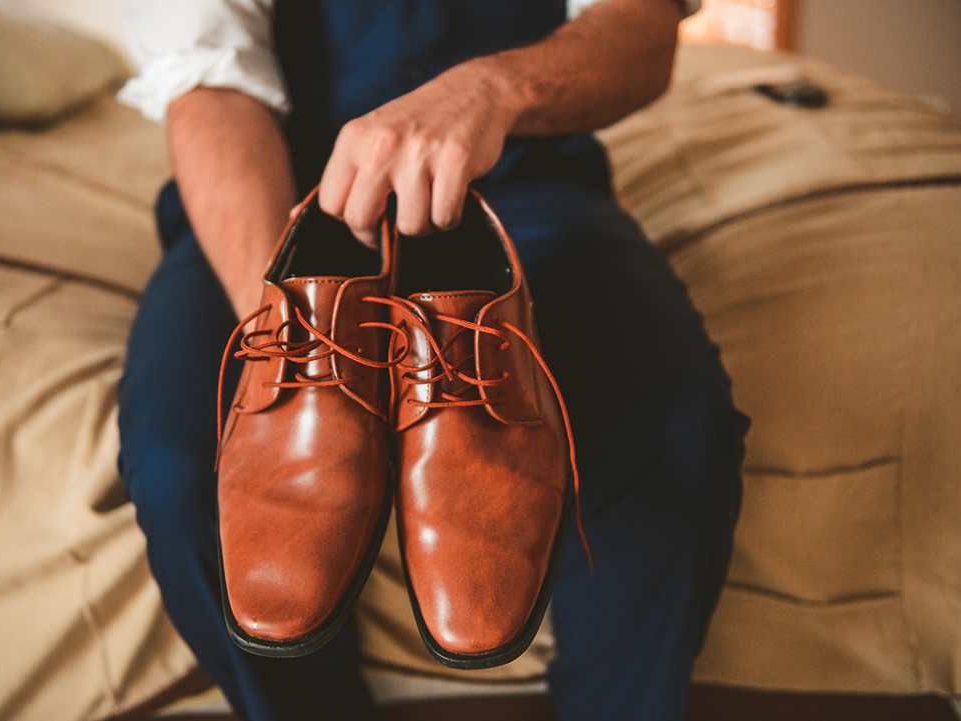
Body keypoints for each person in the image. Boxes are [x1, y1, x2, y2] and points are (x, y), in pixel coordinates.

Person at [116, 0, 750, 718]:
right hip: (280, 194)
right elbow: (209, 87)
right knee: (177, 467)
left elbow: (638, 28)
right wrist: (296, 325)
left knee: (678, 434)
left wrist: (493, 88)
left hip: (521, 184)